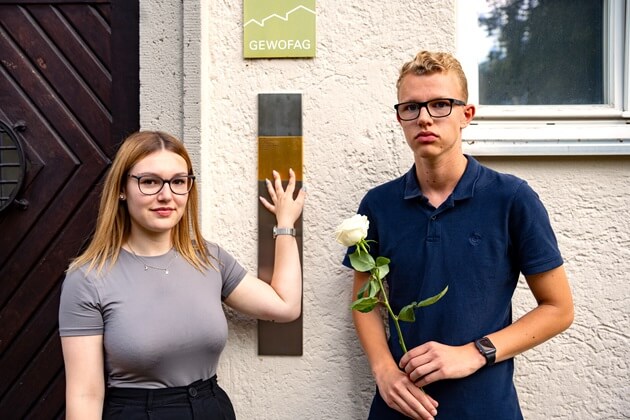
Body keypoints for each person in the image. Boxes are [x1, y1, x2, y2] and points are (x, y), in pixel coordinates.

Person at [343, 51, 574, 419]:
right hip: (400, 408)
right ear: (399, 117)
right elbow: (365, 301)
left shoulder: (511, 199)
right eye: (411, 107)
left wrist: (473, 352)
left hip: (485, 407)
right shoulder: (378, 204)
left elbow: (559, 309)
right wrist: (384, 370)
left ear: (467, 114)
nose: (424, 118)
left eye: (440, 105)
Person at [58, 130, 305, 419]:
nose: (166, 195)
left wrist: (285, 224)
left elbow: (285, 306)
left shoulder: (209, 259)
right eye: (149, 181)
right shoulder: (88, 278)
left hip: (211, 408)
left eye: (178, 182)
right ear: (122, 189)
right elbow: (85, 395)